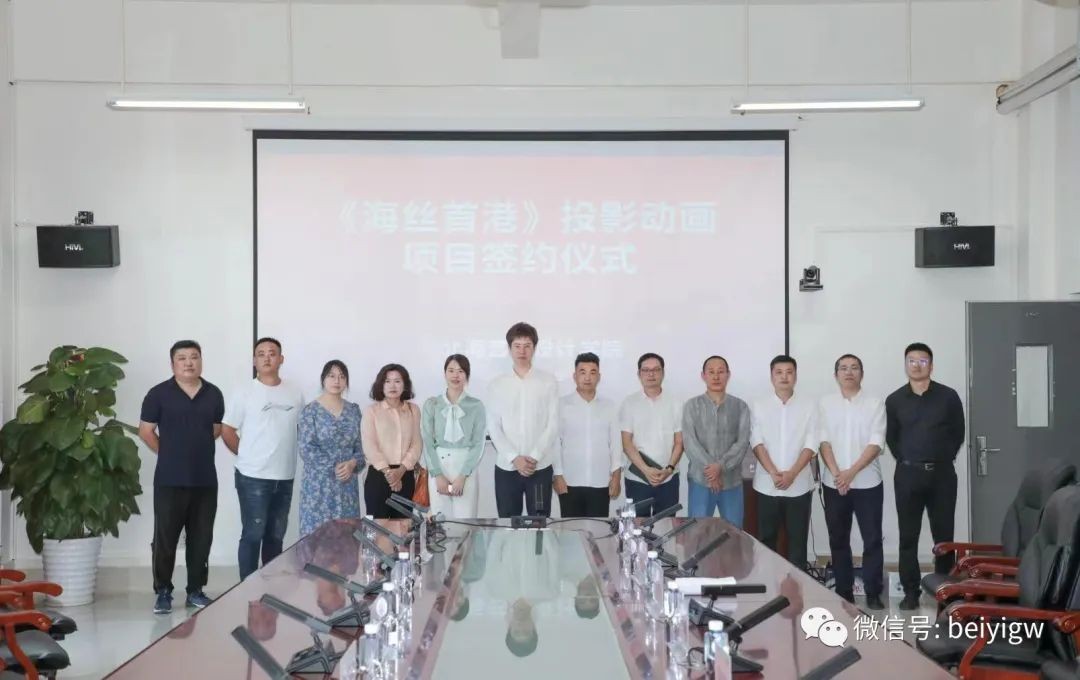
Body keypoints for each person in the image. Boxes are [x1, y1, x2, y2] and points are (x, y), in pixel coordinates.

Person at [138, 340, 225, 614]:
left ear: (201, 361)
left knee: (201, 538)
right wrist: (170, 454)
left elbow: (216, 429)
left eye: (194, 357)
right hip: (169, 480)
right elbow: (145, 431)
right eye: (182, 358)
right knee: (165, 539)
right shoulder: (158, 394)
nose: (189, 362)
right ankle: (163, 591)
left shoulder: (214, 393)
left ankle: (195, 590)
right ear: (172, 363)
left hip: (204, 480)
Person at [886, 342, 965, 610]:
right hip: (908, 475)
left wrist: (940, 457)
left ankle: (946, 592)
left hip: (942, 475)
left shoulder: (948, 396)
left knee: (944, 538)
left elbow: (958, 433)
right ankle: (911, 591)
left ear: (931, 365)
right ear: (905, 365)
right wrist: (908, 459)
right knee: (908, 536)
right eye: (912, 360)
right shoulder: (895, 400)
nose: (917, 365)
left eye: (923, 361)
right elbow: (892, 438)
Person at [222, 337, 305, 581]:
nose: (267, 358)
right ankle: (246, 588)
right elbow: (227, 430)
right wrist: (248, 456)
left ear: (281, 359)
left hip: (285, 475)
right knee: (253, 534)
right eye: (261, 354)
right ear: (254, 361)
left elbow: (300, 429)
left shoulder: (295, 392)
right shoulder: (244, 391)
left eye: (272, 353)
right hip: (253, 477)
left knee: (276, 536)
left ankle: (271, 587)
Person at [818, 353, 886, 610]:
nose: (849, 372)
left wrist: (851, 472)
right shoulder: (825, 404)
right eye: (843, 368)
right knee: (838, 539)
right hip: (834, 482)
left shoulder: (875, 403)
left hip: (868, 483)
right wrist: (838, 473)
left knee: (872, 539)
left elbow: (876, 442)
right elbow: (823, 441)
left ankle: (873, 592)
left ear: (862, 373)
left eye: (854, 368)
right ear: (836, 375)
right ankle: (844, 591)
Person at [751, 355, 818, 569]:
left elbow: (811, 442)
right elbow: (756, 441)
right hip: (766, 484)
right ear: (771, 376)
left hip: (799, 485)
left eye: (789, 372)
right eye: (779, 372)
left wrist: (792, 474)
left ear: (795, 376)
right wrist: (773, 472)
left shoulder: (809, 405)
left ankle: (798, 586)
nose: (784, 377)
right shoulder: (759, 405)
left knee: (798, 542)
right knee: (766, 540)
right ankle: (768, 585)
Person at [487, 322, 560, 518]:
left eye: (527, 345)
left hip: (539, 467)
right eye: (517, 346)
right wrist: (514, 458)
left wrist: (534, 456)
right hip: (507, 467)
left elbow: (553, 424)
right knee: (508, 523)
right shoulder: (497, 384)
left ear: (534, 348)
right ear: (509, 348)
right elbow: (493, 426)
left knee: (539, 523)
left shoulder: (548, 381)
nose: (522, 351)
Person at [681, 355, 752, 526]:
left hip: (731, 480)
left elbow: (742, 442)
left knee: (734, 532)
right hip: (700, 480)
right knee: (697, 532)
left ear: (728, 374)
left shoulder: (740, 406)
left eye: (720, 372)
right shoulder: (692, 406)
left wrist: (720, 466)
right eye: (711, 372)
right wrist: (711, 470)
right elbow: (690, 442)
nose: (716, 376)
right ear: (703, 375)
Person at [297, 360, 365, 537]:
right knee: (317, 539)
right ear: (323, 379)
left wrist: (352, 464)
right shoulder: (310, 411)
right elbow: (306, 449)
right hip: (318, 486)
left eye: (342, 376)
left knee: (347, 538)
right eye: (332, 376)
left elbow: (361, 450)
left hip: (347, 487)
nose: (337, 380)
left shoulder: (353, 411)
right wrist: (333, 467)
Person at [554, 352, 622, 518]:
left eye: (592, 372)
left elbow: (616, 443)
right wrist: (558, 475)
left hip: (600, 481)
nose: (587, 377)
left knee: (598, 529)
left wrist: (616, 477)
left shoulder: (609, 406)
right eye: (582, 372)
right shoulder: (561, 405)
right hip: (569, 481)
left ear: (599, 377)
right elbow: (555, 443)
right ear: (574, 376)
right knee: (570, 529)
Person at [421, 354, 487, 519]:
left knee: (465, 522)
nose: (455, 375)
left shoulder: (476, 405)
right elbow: (427, 441)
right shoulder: (432, 404)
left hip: (466, 467)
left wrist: (463, 476)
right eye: (451, 370)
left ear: (467, 375)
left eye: (460, 371)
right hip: (439, 465)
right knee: (439, 522)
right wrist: (437, 474)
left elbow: (478, 443)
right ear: (445, 374)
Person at [619, 353, 683, 517]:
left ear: (663, 373)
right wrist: (646, 470)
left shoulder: (676, 402)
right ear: (639, 374)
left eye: (656, 369)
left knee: (667, 525)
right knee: (637, 526)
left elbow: (679, 442)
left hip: (668, 478)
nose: (651, 374)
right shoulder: (629, 403)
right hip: (638, 478)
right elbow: (626, 443)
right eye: (646, 370)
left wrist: (669, 469)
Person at [361, 363, 422, 519]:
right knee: (376, 526)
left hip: (405, 475)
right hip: (378, 475)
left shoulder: (413, 410)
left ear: (405, 385)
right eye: (387, 381)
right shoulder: (371, 411)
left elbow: (417, 444)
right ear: (381, 385)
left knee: (403, 526)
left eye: (397, 381)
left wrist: (400, 471)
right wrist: (389, 474)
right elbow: (369, 446)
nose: (392, 386)